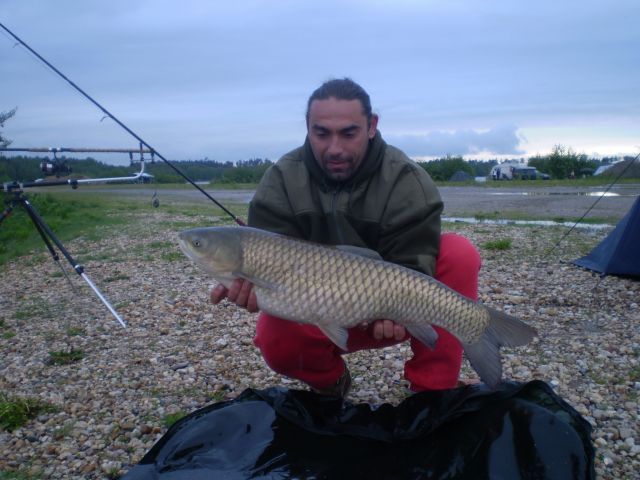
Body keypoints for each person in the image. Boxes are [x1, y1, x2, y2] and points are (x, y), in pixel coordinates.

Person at [211, 78, 481, 397]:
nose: (335, 148)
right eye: (321, 133)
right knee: (274, 335)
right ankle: (332, 382)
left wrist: (399, 313)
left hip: (392, 309)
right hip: (315, 308)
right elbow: (265, 261)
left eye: (348, 133)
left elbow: (416, 265)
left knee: (458, 253)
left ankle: (433, 393)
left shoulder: (405, 179)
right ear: (308, 128)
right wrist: (245, 285)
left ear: (371, 126)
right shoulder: (282, 179)